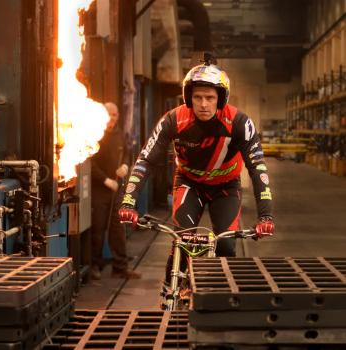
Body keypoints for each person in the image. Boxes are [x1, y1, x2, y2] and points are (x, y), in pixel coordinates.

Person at [118, 59, 274, 284]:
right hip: (189, 184)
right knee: (184, 242)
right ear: (188, 98)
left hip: (226, 188)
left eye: (210, 98)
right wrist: (128, 203)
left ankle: (221, 296)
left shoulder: (240, 123)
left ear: (220, 99)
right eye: (197, 97)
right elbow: (145, 161)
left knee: (226, 245)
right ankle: (171, 291)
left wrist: (265, 216)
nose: (203, 104)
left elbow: (258, 169)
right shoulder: (173, 119)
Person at [90, 102, 141, 280]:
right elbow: (89, 163)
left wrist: (125, 165)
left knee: (118, 228)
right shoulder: (93, 135)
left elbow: (127, 153)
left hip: (116, 190)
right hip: (98, 190)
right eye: (108, 115)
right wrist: (105, 180)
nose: (111, 118)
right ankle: (93, 266)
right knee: (97, 229)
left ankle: (120, 267)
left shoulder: (119, 135)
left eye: (114, 115)